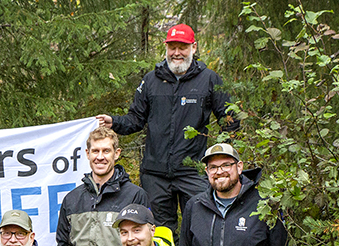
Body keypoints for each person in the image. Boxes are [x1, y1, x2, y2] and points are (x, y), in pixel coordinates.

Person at [95, 24, 239, 234]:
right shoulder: (151, 80)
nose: (177, 53)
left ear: (194, 47)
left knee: (200, 230)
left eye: (183, 47)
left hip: (193, 173)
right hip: (155, 175)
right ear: (166, 48)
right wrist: (113, 122)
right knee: (160, 233)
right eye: (172, 47)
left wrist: (219, 157)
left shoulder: (209, 79)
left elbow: (230, 119)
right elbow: (135, 119)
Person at [180, 142, 292, 246]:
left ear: (239, 167)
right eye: (213, 167)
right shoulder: (194, 206)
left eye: (226, 165)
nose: (219, 172)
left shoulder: (264, 205)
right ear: (207, 171)